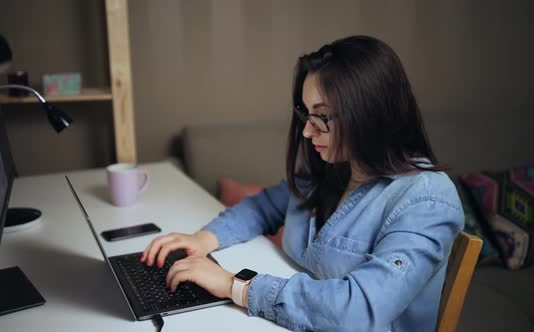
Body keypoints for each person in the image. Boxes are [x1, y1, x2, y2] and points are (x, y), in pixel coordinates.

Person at [141, 35, 464, 332]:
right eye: (306, 115)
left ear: (369, 113)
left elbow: (360, 309)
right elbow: (264, 205)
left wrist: (234, 285)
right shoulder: (333, 168)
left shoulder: (427, 199)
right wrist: (204, 239)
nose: (308, 133)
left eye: (321, 117)